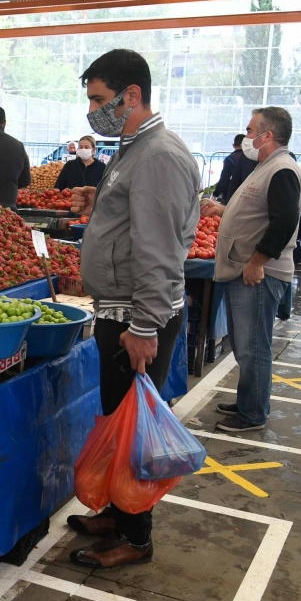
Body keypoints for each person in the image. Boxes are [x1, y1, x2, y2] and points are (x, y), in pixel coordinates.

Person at [65, 49, 200, 569]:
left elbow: (159, 249)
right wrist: (98, 198)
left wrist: (144, 327)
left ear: (132, 96)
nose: (93, 111)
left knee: (136, 430)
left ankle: (136, 536)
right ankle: (120, 512)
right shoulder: (134, 148)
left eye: (100, 100)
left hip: (137, 320)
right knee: (120, 424)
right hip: (119, 312)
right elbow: (135, 216)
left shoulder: (158, 155)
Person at [199, 108, 301, 432]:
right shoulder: (267, 167)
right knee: (245, 344)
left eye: (250, 130)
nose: (246, 137)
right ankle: (248, 400)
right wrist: (223, 209)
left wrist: (258, 262)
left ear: (267, 135)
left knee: (253, 345)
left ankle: (253, 413)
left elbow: (284, 221)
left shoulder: (282, 169)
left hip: (257, 273)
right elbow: (259, 212)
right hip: (244, 268)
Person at [213, 134, 254, 203]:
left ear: (233, 145)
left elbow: (224, 178)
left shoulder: (230, 159)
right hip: (249, 195)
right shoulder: (252, 158)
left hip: (232, 196)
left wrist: (215, 194)